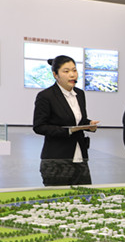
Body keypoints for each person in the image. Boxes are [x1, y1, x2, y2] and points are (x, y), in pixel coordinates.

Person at [33, 55, 98, 186]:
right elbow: (39, 126)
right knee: (60, 196)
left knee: (85, 195)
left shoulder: (80, 94)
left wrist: (88, 124)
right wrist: (67, 131)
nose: (72, 74)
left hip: (80, 157)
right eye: (66, 71)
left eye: (74, 70)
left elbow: (77, 120)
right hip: (57, 159)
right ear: (55, 75)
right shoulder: (46, 96)